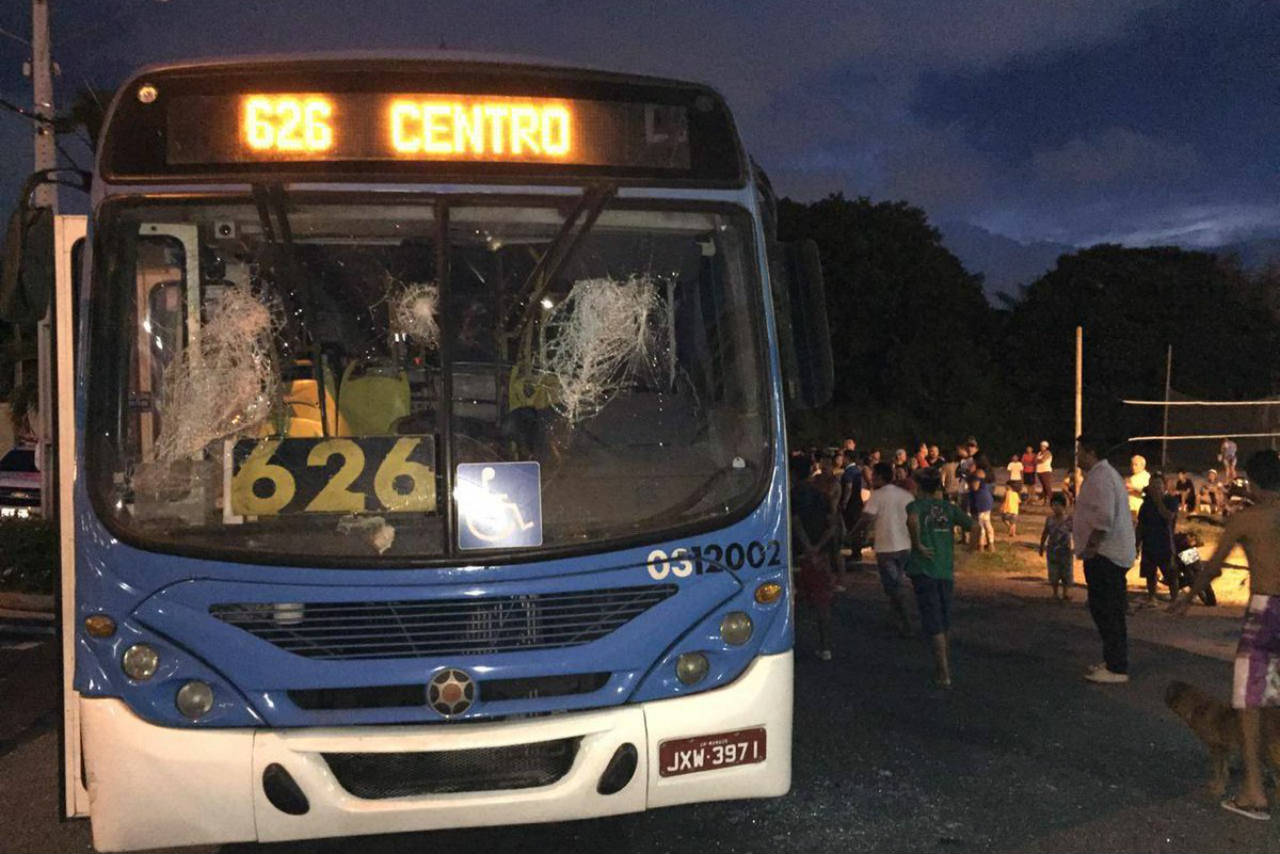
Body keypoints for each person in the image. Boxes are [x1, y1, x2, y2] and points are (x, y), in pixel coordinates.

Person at [1173, 450, 1280, 820]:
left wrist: (1187, 598)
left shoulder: (1247, 519)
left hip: (1266, 612)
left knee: (1250, 702)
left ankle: (1253, 793)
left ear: (1251, 480)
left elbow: (1211, 568)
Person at [1074, 433, 1138, 683]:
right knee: (1106, 610)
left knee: (1107, 611)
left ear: (1091, 453)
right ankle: (1112, 660)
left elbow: (1104, 519)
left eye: (1080, 451)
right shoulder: (1103, 475)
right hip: (1106, 555)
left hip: (1105, 556)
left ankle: (1116, 667)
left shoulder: (1101, 478)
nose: (1077, 456)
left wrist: (1091, 547)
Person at [906, 467, 975, 688]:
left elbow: (913, 520)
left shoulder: (917, 506)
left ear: (919, 487)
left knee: (932, 620)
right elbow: (975, 527)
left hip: (925, 569)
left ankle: (942, 671)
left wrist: (917, 544)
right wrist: (968, 553)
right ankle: (943, 663)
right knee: (943, 619)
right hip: (945, 570)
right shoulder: (949, 508)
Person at [849, 461, 917, 637]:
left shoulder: (877, 496)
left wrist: (853, 534)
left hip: (886, 546)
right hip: (905, 545)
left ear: (879, 476)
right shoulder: (905, 495)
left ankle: (907, 623)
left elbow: (866, 518)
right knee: (896, 583)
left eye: (874, 475)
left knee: (894, 587)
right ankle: (893, 618)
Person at [790, 453, 836, 660]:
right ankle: (825, 646)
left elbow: (796, 523)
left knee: (794, 601)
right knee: (822, 601)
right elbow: (832, 525)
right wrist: (818, 548)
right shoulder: (822, 495)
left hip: (798, 554)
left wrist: (808, 548)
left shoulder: (791, 495)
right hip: (821, 554)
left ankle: (790, 644)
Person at [1134, 474, 1180, 604]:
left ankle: (1175, 598)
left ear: (1164, 486)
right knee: (1150, 573)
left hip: (1165, 542)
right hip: (1149, 543)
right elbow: (1140, 526)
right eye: (1152, 485)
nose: (1155, 488)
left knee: (1170, 572)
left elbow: (1169, 517)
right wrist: (1137, 544)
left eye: (1158, 485)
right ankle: (1151, 596)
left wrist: (1159, 501)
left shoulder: (1171, 501)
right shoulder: (1145, 505)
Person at [1039, 493, 1074, 601]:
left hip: (1066, 550)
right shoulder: (1049, 519)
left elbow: (1076, 533)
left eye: (1058, 505)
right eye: (1053, 505)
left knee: (1066, 572)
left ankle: (1065, 593)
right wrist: (1041, 545)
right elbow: (1045, 533)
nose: (1055, 507)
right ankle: (1055, 593)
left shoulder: (1069, 520)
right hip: (1052, 550)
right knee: (1053, 572)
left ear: (1063, 506)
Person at [967, 459, 996, 550]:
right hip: (986, 500)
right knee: (987, 523)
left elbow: (975, 487)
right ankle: (991, 543)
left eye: (970, 466)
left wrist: (969, 481)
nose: (968, 468)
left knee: (981, 524)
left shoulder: (976, 474)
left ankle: (981, 545)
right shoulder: (983, 473)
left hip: (981, 501)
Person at [1035, 441, 1054, 505]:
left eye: (1043, 446)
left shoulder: (1048, 453)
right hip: (1039, 471)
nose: (1042, 447)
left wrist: (1038, 460)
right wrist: (1038, 460)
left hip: (1046, 471)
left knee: (1047, 485)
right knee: (1044, 486)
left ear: (1046, 447)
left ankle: (1051, 499)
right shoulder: (1039, 453)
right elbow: (1035, 461)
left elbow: (1043, 460)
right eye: (1041, 446)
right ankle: (1045, 500)